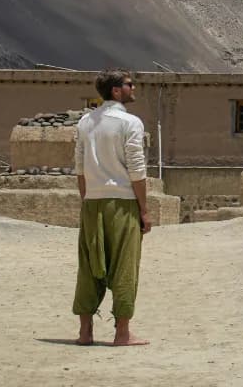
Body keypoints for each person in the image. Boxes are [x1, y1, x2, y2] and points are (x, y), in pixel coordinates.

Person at [72, 69, 151, 346]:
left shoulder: (85, 122)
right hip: (123, 203)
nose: (134, 88)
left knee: (89, 264)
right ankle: (122, 333)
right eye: (130, 85)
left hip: (92, 203)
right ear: (117, 90)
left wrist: (87, 200)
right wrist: (144, 209)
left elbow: (80, 168)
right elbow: (137, 170)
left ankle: (85, 332)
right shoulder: (130, 123)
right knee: (125, 266)